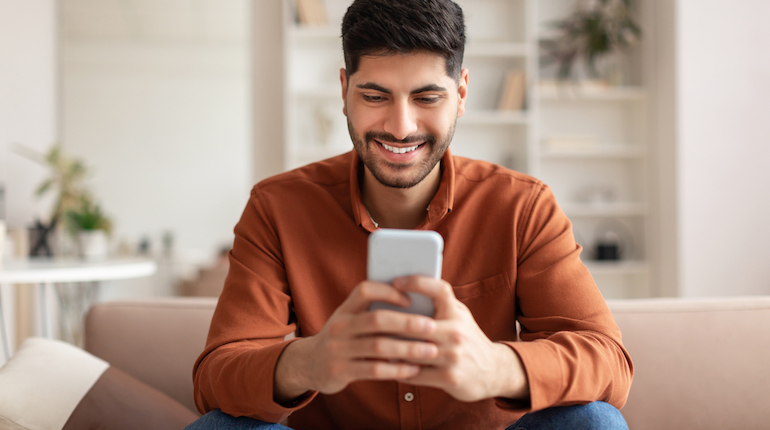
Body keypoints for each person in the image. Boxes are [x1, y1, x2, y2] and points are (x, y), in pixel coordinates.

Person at [187, 0, 633, 429]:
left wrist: (497, 366)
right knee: (219, 428)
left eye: (426, 97)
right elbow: (214, 379)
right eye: (376, 95)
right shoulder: (276, 207)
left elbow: (608, 361)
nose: (401, 127)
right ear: (344, 92)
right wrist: (308, 361)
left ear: (460, 95)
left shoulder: (523, 206)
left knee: (594, 422)